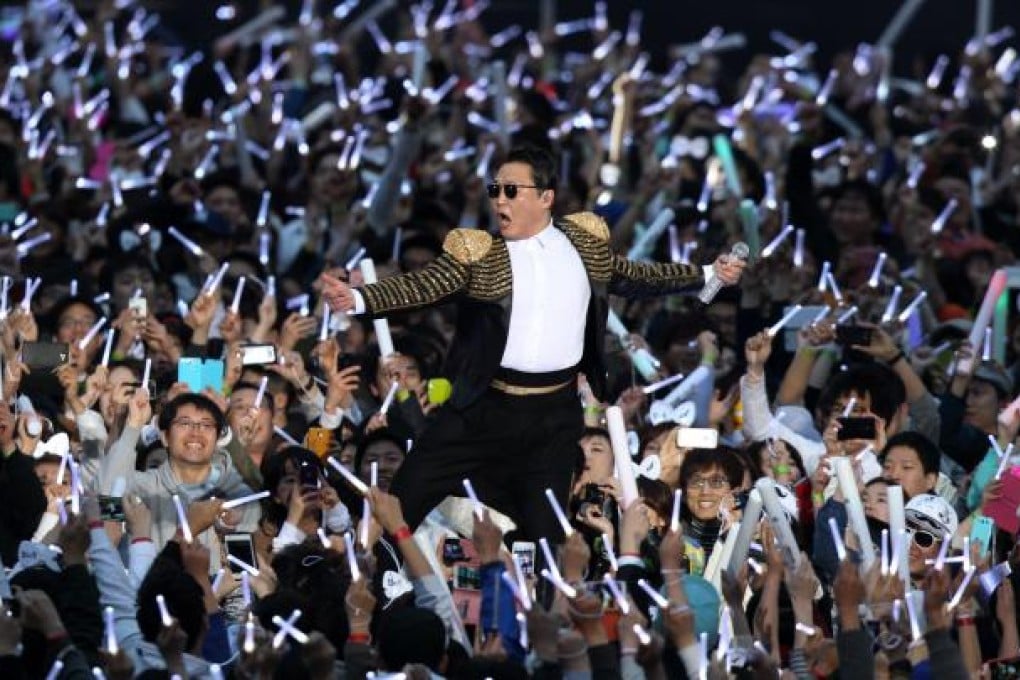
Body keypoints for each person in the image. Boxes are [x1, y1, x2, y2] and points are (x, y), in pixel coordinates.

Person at [320, 144, 745, 544]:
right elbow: (427, 284)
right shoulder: (481, 254)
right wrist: (359, 298)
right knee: (405, 498)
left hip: (552, 417)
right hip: (483, 408)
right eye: (495, 191)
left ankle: (540, 608)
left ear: (545, 197)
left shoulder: (584, 247)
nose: (499, 200)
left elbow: (639, 277)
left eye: (510, 190)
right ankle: (372, 578)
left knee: (545, 535)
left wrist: (706, 274)